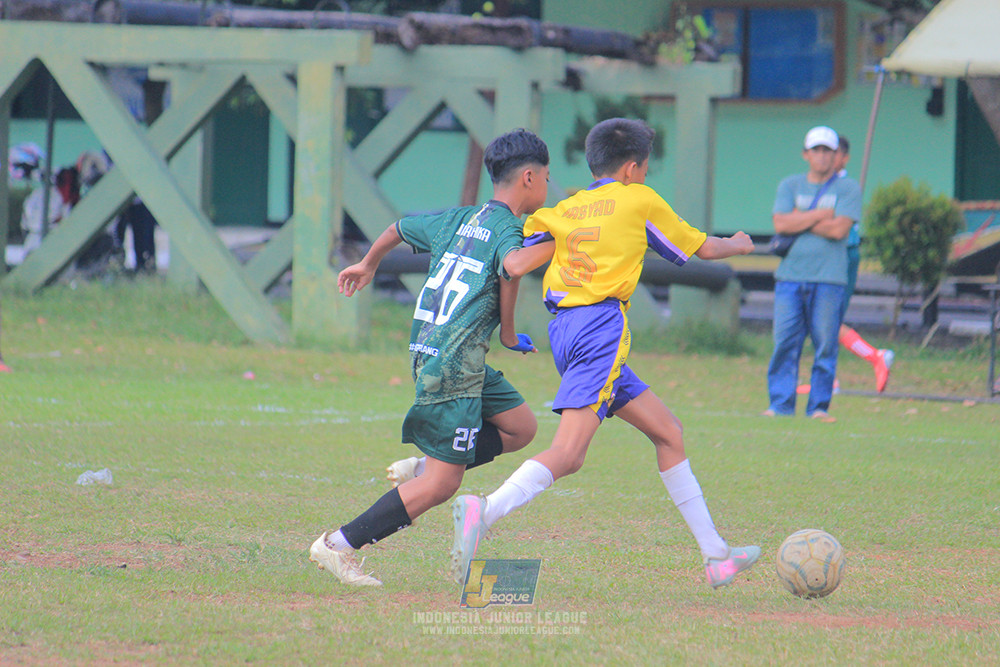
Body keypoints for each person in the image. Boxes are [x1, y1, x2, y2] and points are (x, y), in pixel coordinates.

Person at [449, 117, 760, 590]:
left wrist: (508, 328)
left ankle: (716, 556)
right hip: (600, 328)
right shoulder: (639, 200)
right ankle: (485, 510)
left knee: (668, 432)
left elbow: (514, 265)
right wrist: (738, 243)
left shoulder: (566, 206)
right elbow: (703, 248)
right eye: (647, 168)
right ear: (633, 168)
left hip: (565, 331)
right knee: (569, 453)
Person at [308, 128, 552, 586]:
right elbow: (515, 266)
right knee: (444, 485)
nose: (547, 185)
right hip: (454, 365)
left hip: (442, 350)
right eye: (545, 176)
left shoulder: (461, 218)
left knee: (521, 427)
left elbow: (398, 228)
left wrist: (370, 263)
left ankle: (419, 467)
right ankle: (337, 546)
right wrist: (565, 242)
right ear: (527, 177)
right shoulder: (509, 230)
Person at [764, 126, 862, 422]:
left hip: (830, 278)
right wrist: (821, 215)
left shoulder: (848, 188)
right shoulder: (790, 185)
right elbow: (780, 223)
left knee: (825, 344)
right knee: (785, 342)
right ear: (806, 154)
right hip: (790, 276)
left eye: (827, 151)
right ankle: (780, 404)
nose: (822, 156)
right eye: (816, 150)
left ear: (836, 156)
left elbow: (839, 230)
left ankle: (819, 407)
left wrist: (800, 218)